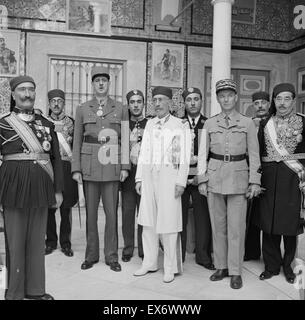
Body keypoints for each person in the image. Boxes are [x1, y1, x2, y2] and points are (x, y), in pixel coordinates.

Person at [0, 75, 64, 300]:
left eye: (31, 90)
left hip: (40, 187)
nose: (27, 94)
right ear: (14, 94)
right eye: (22, 90)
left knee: (37, 241)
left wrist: (58, 190)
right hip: (12, 188)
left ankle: (35, 290)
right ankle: (14, 292)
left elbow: (55, 158)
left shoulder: (46, 123)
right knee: (15, 242)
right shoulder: (3, 123)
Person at [197, 79, 261, 289]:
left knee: (237, 228)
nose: (226, 99)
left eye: (229, 95)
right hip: (215, 177)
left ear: (235, 98)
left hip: (239, 178)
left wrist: (254, 181)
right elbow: (202, 155)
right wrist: (203, 179)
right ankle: (221, 266)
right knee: (218, 227)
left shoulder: (247, 123)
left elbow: (254, 154)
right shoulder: (209, 123)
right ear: (217, 99)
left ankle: (235, 271)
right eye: (221, 96)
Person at [72, 66, 130, 272]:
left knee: (112, 214)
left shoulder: (121, 108)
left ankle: (112, 256)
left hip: (112, 163)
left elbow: (125, 139)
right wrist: (76, 168)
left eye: (104, 80)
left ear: (109, 83)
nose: (101, 83)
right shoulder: (82, 108)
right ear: (93, 84)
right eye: (97, 80)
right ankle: (91, 255)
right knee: (91, 215)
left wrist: (125, 166)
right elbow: (77, 140)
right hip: (89, 165)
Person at [134, 86, 191, 283]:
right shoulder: (150, 124)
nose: (157, 103)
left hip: (170, 178)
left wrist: (181, 182)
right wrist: (139, 178)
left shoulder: (180, 124)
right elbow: (143, 152)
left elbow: (183, 156)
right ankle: (149, 262)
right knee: (148, 222)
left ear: (170, 102)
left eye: (161, 100)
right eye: (155, 100)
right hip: (150, 178)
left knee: (169, 224)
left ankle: (170, 266)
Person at [254, 83, 305, 284]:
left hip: (293, 180)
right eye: (278, 99)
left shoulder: (303, 122)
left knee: (290, 226)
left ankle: (288, 266)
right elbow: (257, 152)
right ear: (273, 101)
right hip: (268, 179)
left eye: (286, 99)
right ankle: (271, 266)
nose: (282, 103)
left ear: (293, 100)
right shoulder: (265, 123)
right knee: (269, 225)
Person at [181, 87, 214, 270]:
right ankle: (178, 254)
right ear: (184, 103)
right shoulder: (177, 124)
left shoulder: (209, 123)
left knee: (203, 218)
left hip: (202, 179)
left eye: (196, 99)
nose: (192, 103)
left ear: (201, 101)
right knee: (179, 217)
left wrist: (201, 177)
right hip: (181, 179)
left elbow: (212, 154)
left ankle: (203, 255)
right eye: (189, 99)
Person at [45, 89, 78, 257]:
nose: (56, 104)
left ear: (64, 103)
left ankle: (66, 243)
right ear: (49, 103)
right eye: (53, 101)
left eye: (59, 101)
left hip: (66, 168)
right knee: (49, 207)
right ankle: (50, 242)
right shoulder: (43, 122)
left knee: (66, 208)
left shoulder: (72, 123)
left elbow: (76, 147)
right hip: (49, 168)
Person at [244, 91, 270, 262]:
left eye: (263, 102)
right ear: (253, 106)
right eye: (256, 103)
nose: (260, 106)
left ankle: (270, 256)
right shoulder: (248, 124)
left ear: (269, 104)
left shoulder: (275, 123)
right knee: (251, 215)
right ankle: (251, 252)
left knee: (268, 216)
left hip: (270, 174)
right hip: (251, 172)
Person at [121, 89, 147, 262]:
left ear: (143, 104)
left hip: (145, 175)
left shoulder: (151, 123)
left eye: (139, 101)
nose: (136, 105)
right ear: (128, 105)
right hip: (129, 175)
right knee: (128, 213)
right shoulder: (124, 125)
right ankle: (128, 247)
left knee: (144, 214)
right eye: (132, 102)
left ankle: (144, 249)